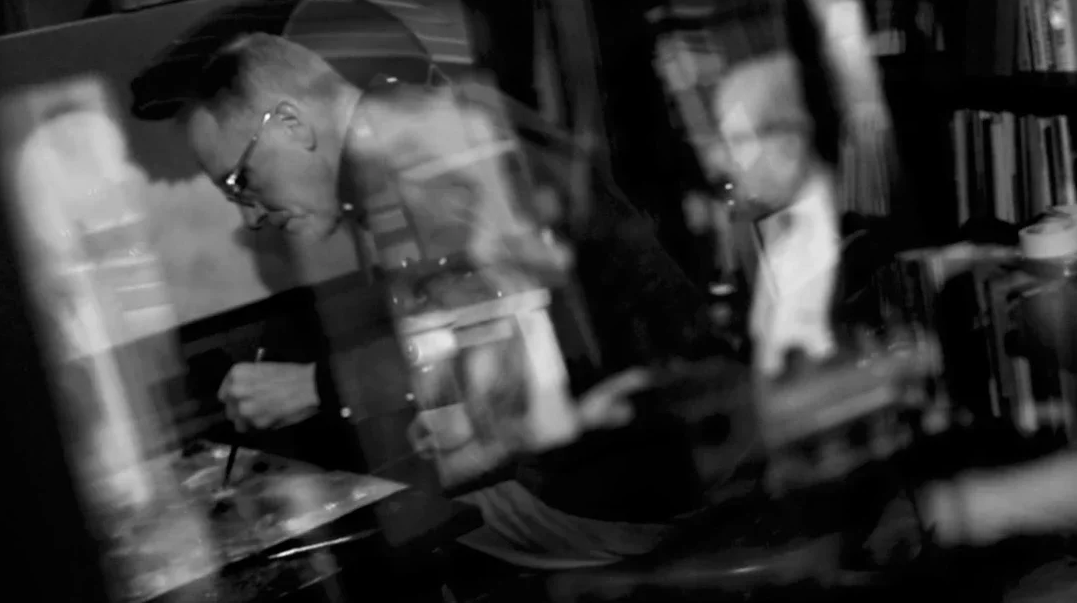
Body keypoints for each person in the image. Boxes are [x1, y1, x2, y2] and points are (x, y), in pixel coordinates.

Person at [136, 31, 743, 570]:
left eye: (240, 182)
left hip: (632, 482)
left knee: (367, 538)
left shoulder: (421, 169)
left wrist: (320, 387)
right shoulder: (414, 123)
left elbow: (513, 362)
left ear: (291, 124)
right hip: (667, 439)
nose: (251, 216)